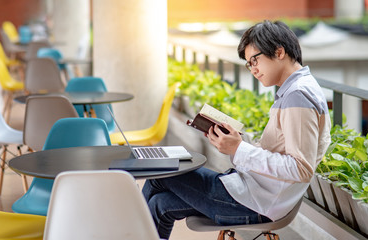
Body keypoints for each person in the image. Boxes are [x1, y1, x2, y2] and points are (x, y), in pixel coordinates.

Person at [142, 20, 331, 239]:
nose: (253, 70)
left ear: (279, 52)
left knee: (160, 174)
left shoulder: (298, 95)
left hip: (255, 203)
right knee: (160, 204)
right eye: (248, 65)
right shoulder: (295, 90)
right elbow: (282, 153)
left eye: (255, 60)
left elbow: (300, 168)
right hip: (252, 194)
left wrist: (239, 149)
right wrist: (236, 143)